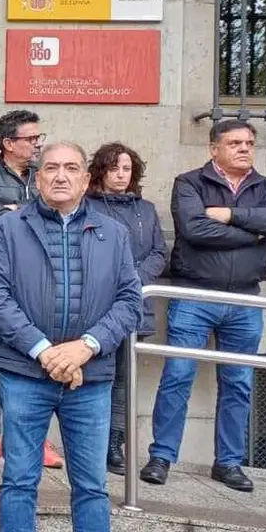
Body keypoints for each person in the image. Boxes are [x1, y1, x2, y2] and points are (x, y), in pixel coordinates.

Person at [0, 141, 142, 532]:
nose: (61, 175)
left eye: (71, 167)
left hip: (91, 376)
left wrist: (86, 345)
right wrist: (45, 350)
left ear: (87, 179)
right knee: (19, 481)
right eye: (51, 168)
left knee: (90, 486)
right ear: (38, 177)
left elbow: (129, 301)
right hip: (24, 372)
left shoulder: (113, 233)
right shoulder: (9, 230)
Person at [141, 119, 266, 492]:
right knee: (178, 376)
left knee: (239, 384)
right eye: (235, 143)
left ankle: (228, 464)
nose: (244, 148)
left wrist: (230, 215)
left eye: (249, 142)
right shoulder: (190, 183)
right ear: (214, 149)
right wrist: (253, 232)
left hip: (245, 299)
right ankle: (162, 457)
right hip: (195, 295)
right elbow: (195, 230)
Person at [0, 110, 63, 469]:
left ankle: (36, 438)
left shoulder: (47, 175)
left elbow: (58, 209)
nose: (39, 144)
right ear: (9, 143)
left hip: (42, 277)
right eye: (31, 138)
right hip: (0, 277)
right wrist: (31, 210)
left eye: (40, 137)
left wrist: (17, 210)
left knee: (41, 353)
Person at [85, 142, 167, 475]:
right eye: (114, 168)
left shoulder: (145, 210)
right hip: (97, 304)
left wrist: (133, 277)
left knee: (123, 379)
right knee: (95, 378)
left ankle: (113, 445)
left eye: (127, 169)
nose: (121, 175)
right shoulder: (87, 206)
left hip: (133, 303)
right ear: (101, 172)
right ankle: (91, 443)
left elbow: (160, 253)